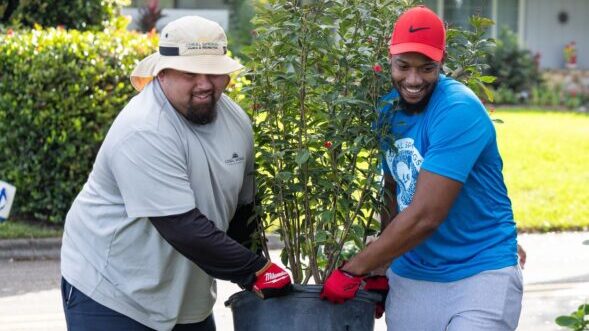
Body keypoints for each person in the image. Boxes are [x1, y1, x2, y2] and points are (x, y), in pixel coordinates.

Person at [60, 16, 291, 331]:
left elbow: (243, 213)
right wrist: (255, 271)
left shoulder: (236, 122)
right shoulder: (144, 129)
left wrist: (260, 274)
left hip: (186, 300)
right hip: (111, 292)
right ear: (163, 73)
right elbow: (182, 226)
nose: (204, 84)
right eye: (190, 73)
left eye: (213, 72)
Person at [320, 6, 523, 330]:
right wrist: (382, 264)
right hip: (413, 273)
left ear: (441, 63)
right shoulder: (385, 107)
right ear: (390, 59)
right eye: (403, 67)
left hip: (479, 271)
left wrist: (354, 269)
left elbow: (426, 216)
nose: (413, 80)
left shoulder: (458, 109)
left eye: (426, 68)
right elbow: (392, 187)